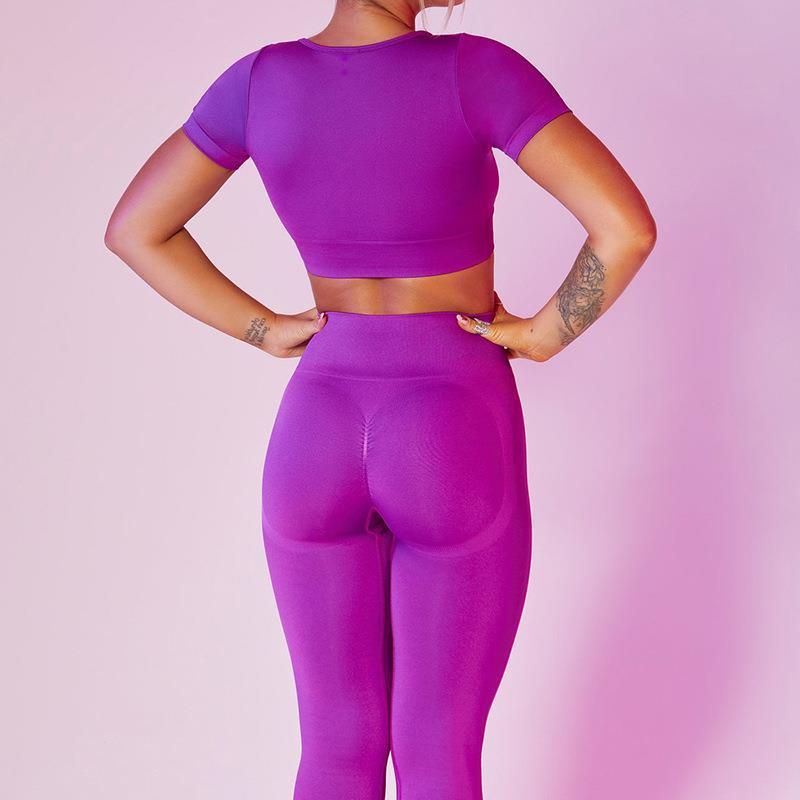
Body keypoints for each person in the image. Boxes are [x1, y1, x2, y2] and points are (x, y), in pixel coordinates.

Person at [104, 1, 656, 797]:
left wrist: (265, 330)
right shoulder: (476, 70)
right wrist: (544, 334)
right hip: (451, 417)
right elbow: (624, 228)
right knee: (437, 747)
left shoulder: (257, 83)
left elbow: (135, 229)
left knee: (335, 743)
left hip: (316, 424)